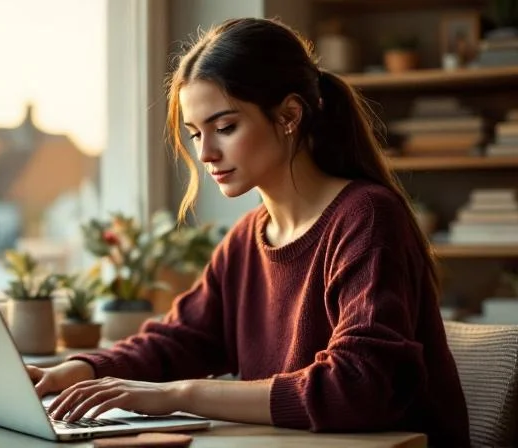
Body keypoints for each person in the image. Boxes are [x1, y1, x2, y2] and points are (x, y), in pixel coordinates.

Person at [28, 17, 470, 446]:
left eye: (224, 127)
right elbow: (184, 338)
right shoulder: (248, 237)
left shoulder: (367, 217)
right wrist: (82, 368)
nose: (205, 153)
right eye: (195, 134)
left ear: (290, 115)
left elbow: (357, 386)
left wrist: (180, 394)